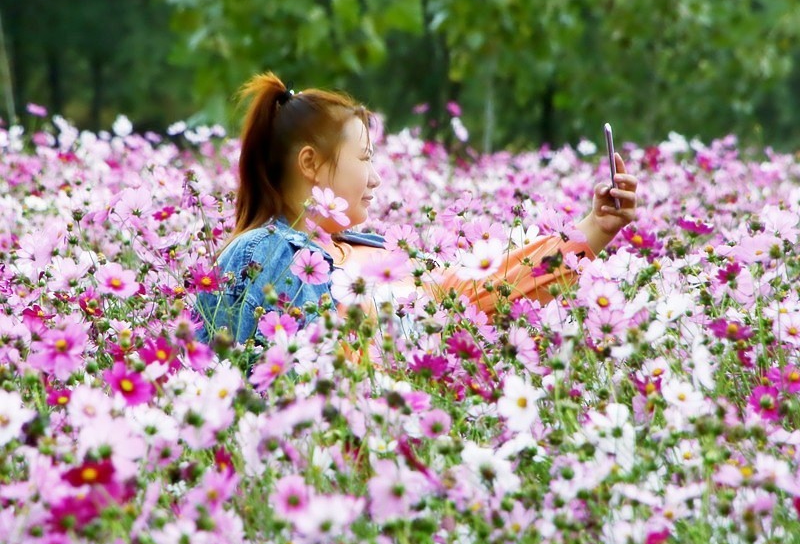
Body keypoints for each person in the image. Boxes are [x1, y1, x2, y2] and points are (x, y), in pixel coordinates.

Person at [194, 72, 638, 346]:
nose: (375, 178)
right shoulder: (264, 252)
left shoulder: (368, 249)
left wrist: (595, 228)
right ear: (310, 163)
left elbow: (478, 294)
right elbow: (292, 375)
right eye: (364, 158)